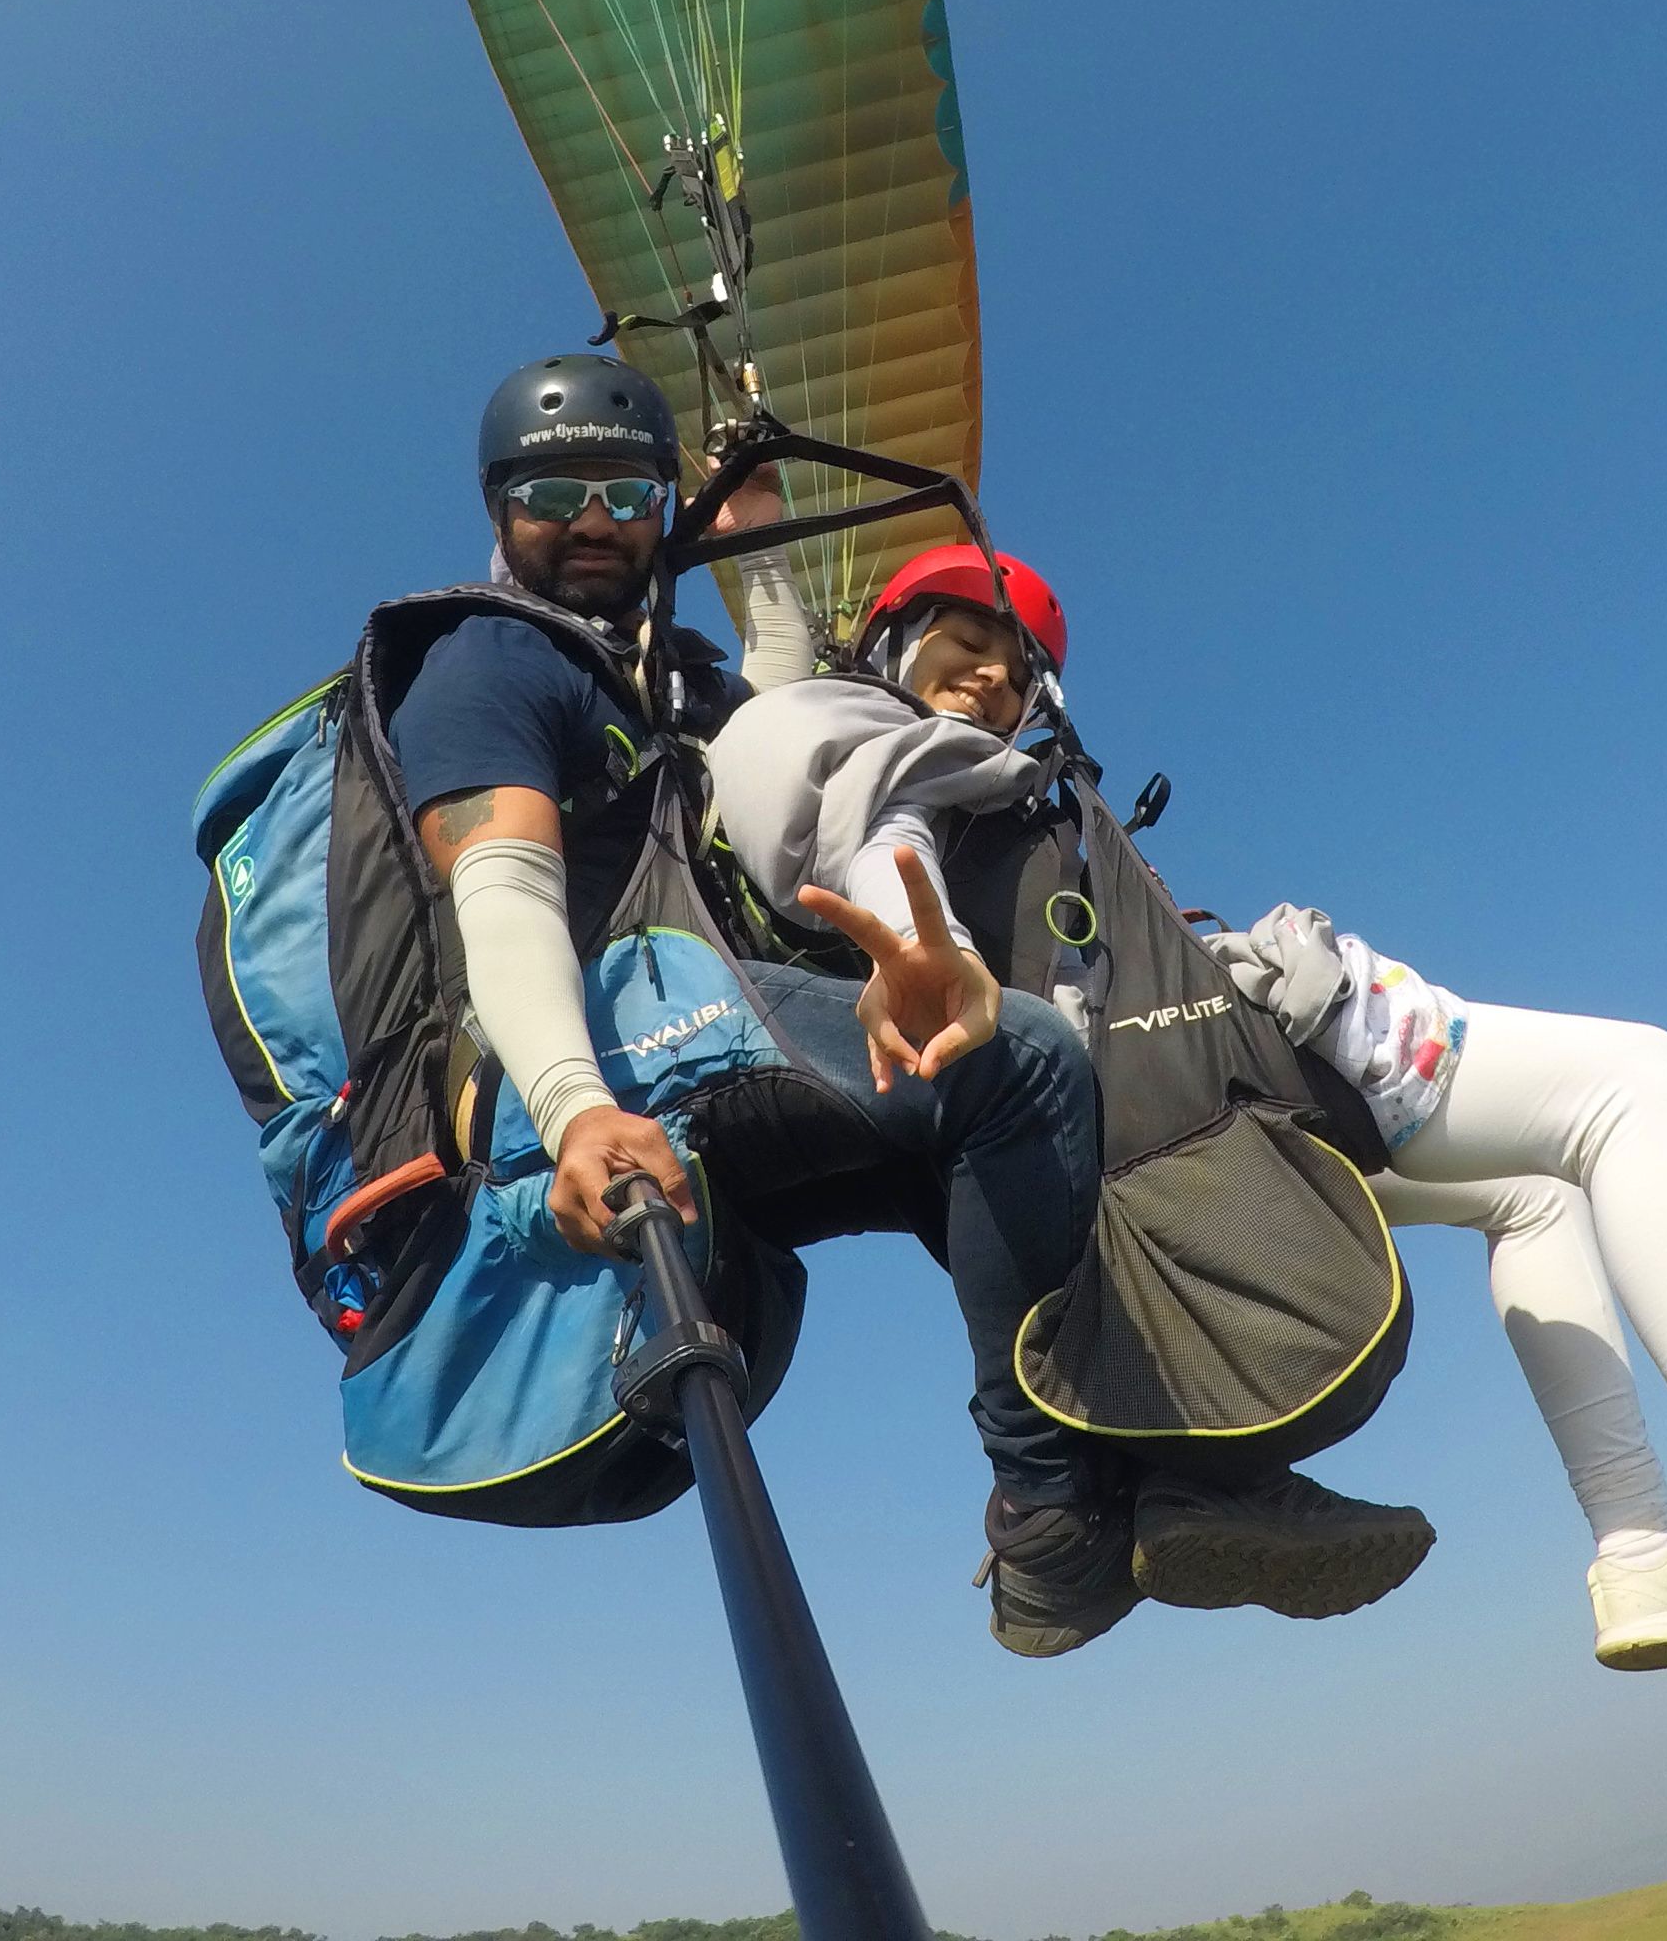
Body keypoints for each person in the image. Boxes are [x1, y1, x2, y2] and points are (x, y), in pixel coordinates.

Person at [714, 538, 1667, 1715]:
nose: (995, 677)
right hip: (1201, 1105)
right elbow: (848, 807)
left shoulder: (975, 777)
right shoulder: (866, 747)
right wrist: (922, 943)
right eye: (962, 639)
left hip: (1175, 1117)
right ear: (883, 641)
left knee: (1537, 1197)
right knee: (1638, 1085)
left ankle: (1644, 1551)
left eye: (1017, 662)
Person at [393, 355, 1404, 1656]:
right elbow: (506, 898)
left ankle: (1167, 1478)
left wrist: (753, 522)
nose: (594, 520)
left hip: (676, 1025)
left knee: (1012, 1137)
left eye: (629, 493)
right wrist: (575, 1108)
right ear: (497, 504)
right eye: (556, 491)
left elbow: (770, 693)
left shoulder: (645, 685)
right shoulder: (491, 660)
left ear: (661, 509)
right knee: (1021, 1064)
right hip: (572, 1049)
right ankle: (1046, 1520)